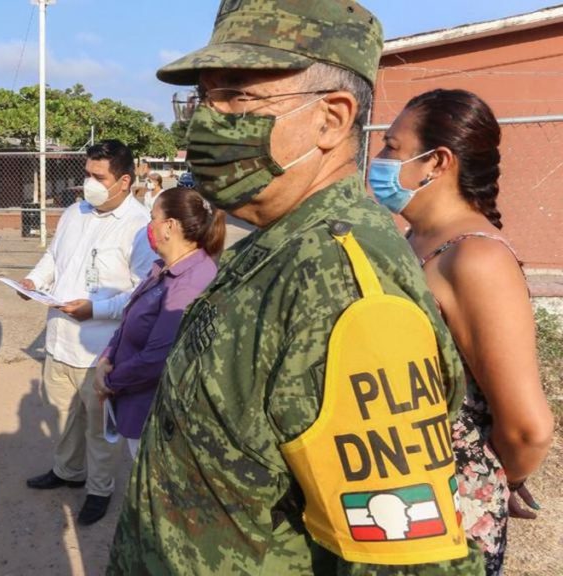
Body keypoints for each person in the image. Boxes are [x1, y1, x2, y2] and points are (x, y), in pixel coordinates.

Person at [109, 1, 485, 574]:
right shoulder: (273, 243)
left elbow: (406, 558)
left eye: (238, 97)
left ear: (330, 119)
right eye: (204, 98)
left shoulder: (344, 282)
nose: (208, 120)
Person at [370, 88, 553, 575]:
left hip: (447, 519)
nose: (379, 158)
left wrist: (491, 477)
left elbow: (528, 428)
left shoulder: (476, 259)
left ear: (437, 162)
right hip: (394, 498)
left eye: (392, 146)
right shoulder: (415, 239)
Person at [21, 139, 156, 526]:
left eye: (99, 177)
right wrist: (33, 281)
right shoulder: (74, 212)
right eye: (87, 174)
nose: (89, 184)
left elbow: (142, 295)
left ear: (124, 181)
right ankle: (67, 471)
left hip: (101, 352)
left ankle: (99, 490)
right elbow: (53, 257)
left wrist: (94, 309)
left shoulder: (139, 228)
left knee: (99, 429)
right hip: (59, 342)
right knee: (64, 417)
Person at [93, 187, 223, 458]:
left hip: (157, 414)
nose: (148, 226)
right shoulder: (162, 268)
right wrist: (106, 357)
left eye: (153, 218)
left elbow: (158, 358)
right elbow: (130, 317)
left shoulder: (191, 280)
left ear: (170, 226)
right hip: (135, 400)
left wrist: (110, 382)